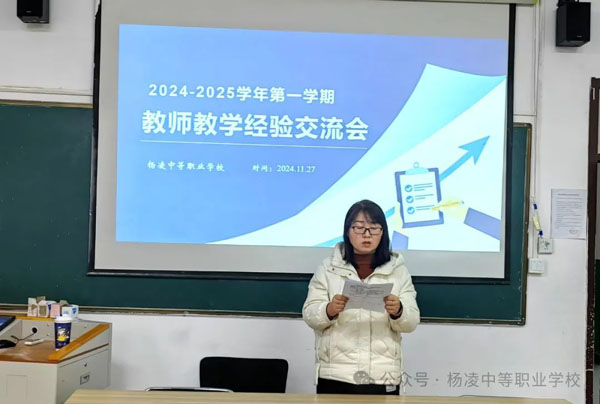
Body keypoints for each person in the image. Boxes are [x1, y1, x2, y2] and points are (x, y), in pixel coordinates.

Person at [302, 199, 419, 395]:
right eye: (359, 227)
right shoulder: (328, 268)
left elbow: (412, 321)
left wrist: (398, 311)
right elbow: (309, 314)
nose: (367, 234)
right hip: (335, 374)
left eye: (374, 228)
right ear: (348, 231)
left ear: (383, 232)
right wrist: (329, 310)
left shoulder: (398, 271)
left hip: (382, 374)